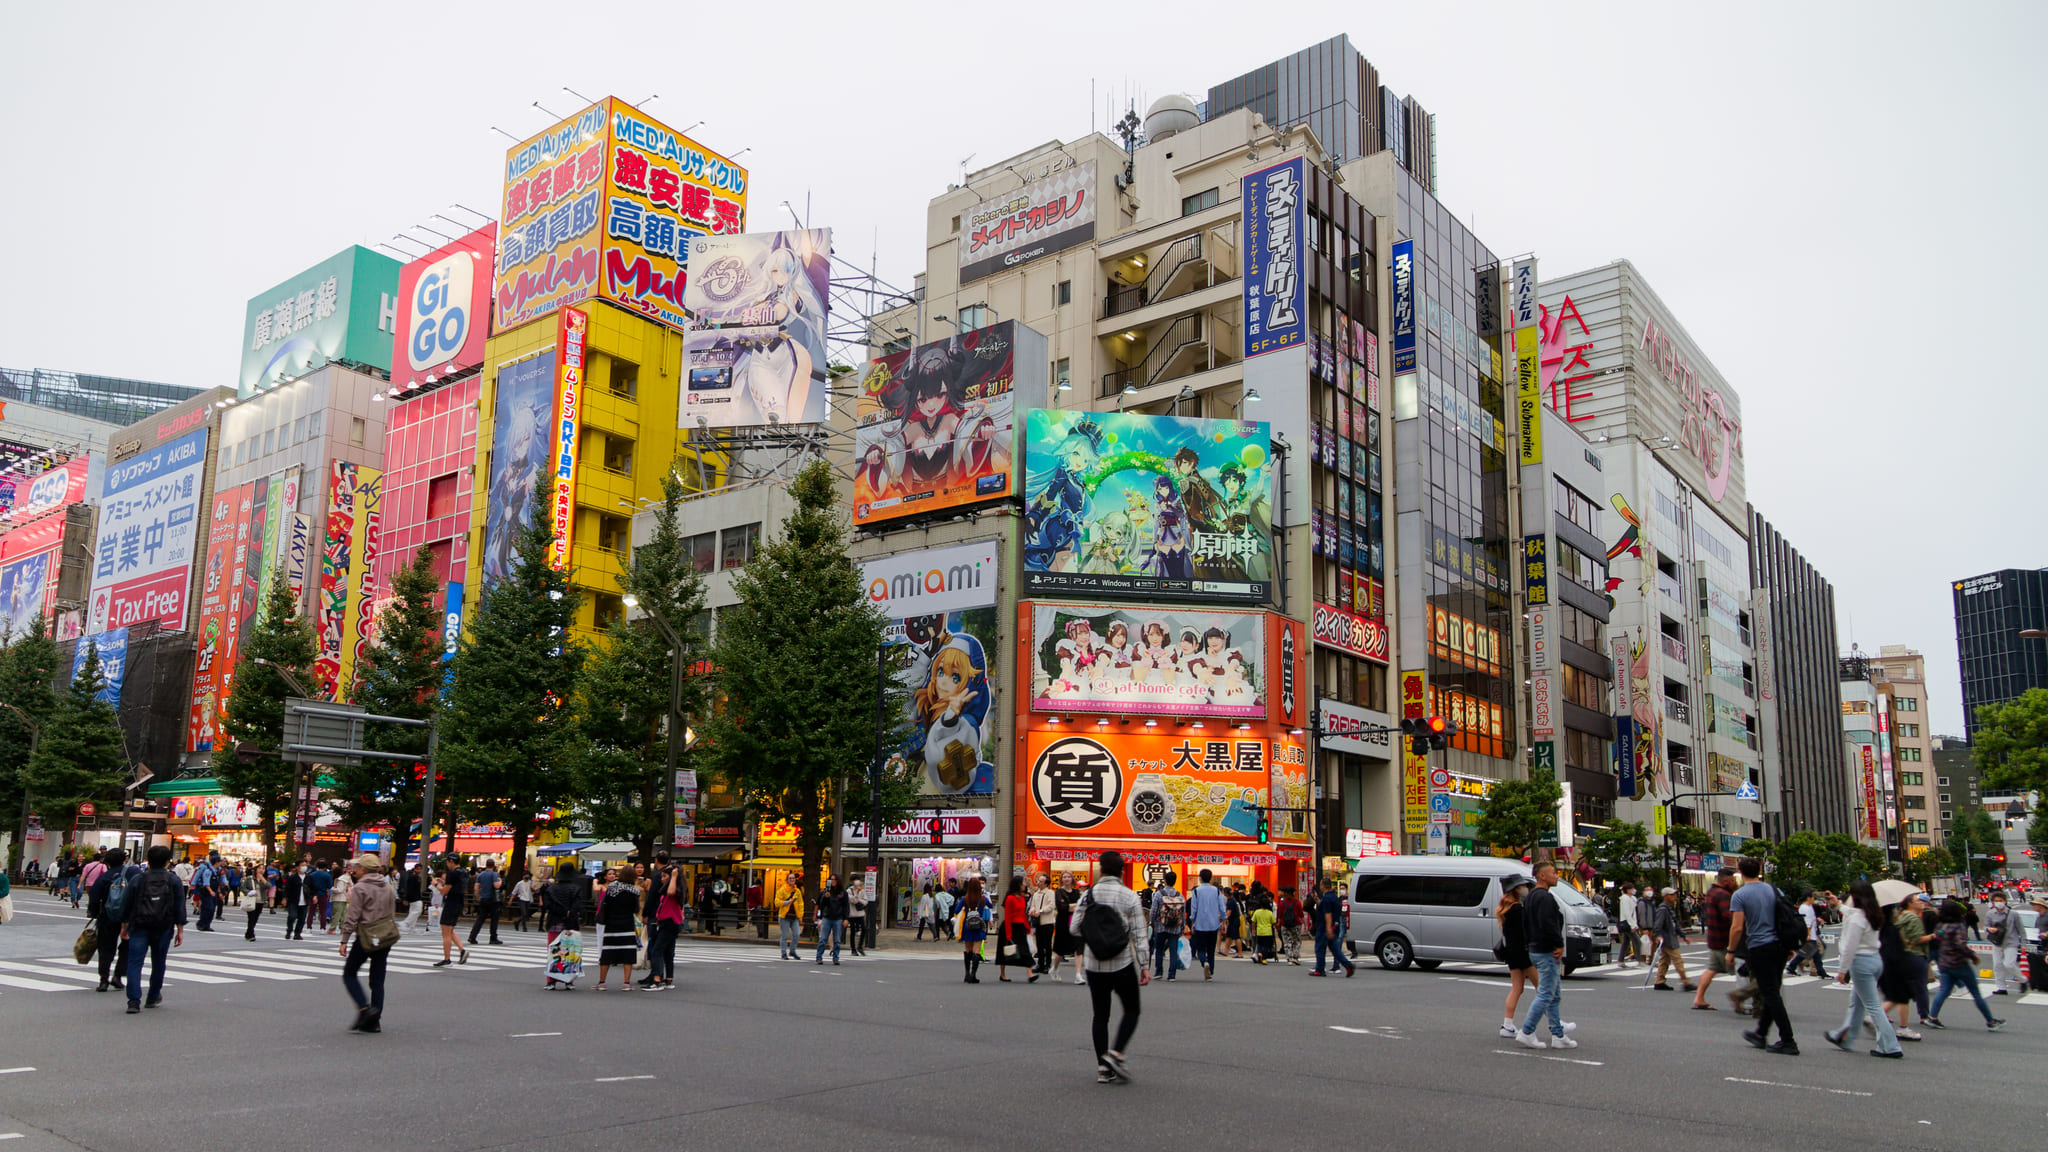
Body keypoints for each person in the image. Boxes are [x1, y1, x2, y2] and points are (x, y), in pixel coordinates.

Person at [1071, 850, 1147, 1084]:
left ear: (1101, 869)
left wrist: (1095, 936)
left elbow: (1074, 928)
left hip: (1094, 964)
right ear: (1122, 871)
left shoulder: (1088, 895)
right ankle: (1116, 1053)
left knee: (1100, 1015)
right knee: (1132, 1009)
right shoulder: (1129, 896)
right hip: (1122, 962)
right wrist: (1144, 965)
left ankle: (1103, 1068)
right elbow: (1139, 935)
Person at [1824, 879, 1902, 1057]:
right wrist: (1838, 905)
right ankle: (1844, 1036)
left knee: (1873, 1007)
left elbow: (1850, 947)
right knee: (1857, 1003)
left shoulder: (1857, 919)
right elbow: (1852, 913)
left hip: (1861, 963)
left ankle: (1891, 1046)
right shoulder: (1873, 913)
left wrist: (1842, 970)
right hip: (1875, 960)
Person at [1727, 855, 1797, 1055]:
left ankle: (1788, 1040)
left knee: (1771, 994)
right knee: (1772, 989)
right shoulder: (1772, 889)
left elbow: (1737, 927)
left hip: (1760, 946)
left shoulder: (1740, 895)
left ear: (1740, 873)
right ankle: (1761, 1033)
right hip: (1780, 945)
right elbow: (1785, 915)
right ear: (1759, 870)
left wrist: (1731, 951)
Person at [1514, 860, 1576, 1049]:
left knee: (1553, 994)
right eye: (1553, 873)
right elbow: (1549, 924)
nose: (1556, 876)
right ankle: (1527, 1031)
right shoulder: (1545, 898)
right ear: (1542, 875)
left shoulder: (1532, 897)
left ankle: (1558, 1034)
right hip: (1546, 950)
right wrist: (1558, 944)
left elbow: (1526, 925)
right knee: (1546, 994)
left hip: (1535, 948)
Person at [119, 844, 186, 1014]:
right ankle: (153, 995)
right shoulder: (173, 880)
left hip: (139, 924)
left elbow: (126, 904)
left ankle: (133, 1001)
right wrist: (180, 929)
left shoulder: (138, 879)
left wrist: (124, 925)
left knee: (135, 962)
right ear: (166, 861)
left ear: (148, 859)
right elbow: (179, 906)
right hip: (163, 926)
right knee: (159, 961)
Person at [336, 854, 395, 1033]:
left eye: (357, 867)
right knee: (377, 979)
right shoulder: (388, 886)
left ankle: (364, 1008)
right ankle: (375, 1019)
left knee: (349, 973)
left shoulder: (360, 888)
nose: (355, 870)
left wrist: (344, 940)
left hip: (366, 935)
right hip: (385, 935)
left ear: (363, 869)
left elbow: (352, 916)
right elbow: (391, 912)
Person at [1927, 898, 2004, 1031]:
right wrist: (1972, 955)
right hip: (1959, 963)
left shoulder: (1940, 926)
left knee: (1944, 991)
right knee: (1976, 993)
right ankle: (1990, 1021)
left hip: (1944, 962)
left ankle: (1932, 1017)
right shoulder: (1959, 927)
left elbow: (1937, 937)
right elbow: (1960, 944)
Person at [85, 848, 135, 993]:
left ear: (107, 861)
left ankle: (103, 980)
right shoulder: (134, 873)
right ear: (125, 859)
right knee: (126, 946)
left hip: (107, 916)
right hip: (128, 917)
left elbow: (94, 898)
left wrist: (95, 913)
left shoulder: (104, 877)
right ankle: (118, 975)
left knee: (105, 948)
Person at [1692, 870, 1740, 1010]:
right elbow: (1729, 916)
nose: (1735, 883)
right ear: (1726, 881)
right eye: (1733, 880)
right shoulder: (1723, 895)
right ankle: (1743, 997)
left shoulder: (1711, 892)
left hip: (1714, 938)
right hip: (1725, 939)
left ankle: (1699, 998)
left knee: (1712, 969)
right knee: (1745, 970)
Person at [595, 865, 640, 990]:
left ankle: (602, 982)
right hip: (627, 924)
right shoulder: (634, 890)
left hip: (611, 923)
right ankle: (626, 983)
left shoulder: (612, 887)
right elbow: (636, 909)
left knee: (607, 953)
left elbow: (606, 903)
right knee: (628, 954)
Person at [543, 866, 585, 990]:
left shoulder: (551, 889)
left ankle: (551, 981)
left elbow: (547, 905)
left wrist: (561, 911)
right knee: (570, 953)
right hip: (571, 925)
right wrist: (569, 912)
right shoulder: (576, 889)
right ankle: (568, 981)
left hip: (554, 922)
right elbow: (577, 906)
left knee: (553, 952)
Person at [646, 862, 684, 990]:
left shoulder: (675, 889)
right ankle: (668, 979)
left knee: (657, 950)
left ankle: (657, 980)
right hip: (669, 922)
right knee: (668, 951)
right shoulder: (671, 890)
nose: (662, 879)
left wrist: (674, 876)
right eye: (661, 876)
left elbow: (671, 892)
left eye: (664, 876)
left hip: (669, 922)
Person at [1650, 887, 1695, 991]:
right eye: (1672, 894)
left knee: (1664, 961)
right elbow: (1657, 925)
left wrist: (1683, 936)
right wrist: (1658, 935)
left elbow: (1676, 924)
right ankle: (1686, 982)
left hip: (1669, 938)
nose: (1674, 896)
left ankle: (1660, 981)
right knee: (1678, 960)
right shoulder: (1663, 909)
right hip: (1667, 939)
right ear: (1666, 896)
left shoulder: (1670, 908)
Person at [1310, 877, 1356, 978]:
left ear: (1323, 885)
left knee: (1320, 948)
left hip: (1325, 927)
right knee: (1334, 949)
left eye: (1321, 885)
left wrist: (1328, 928)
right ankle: (1348, 965)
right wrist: (1317, 900)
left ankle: (1320, 969)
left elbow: (1327, 913)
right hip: (1335, 925)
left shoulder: (1327, 898)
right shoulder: (1333, 897)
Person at [1187, 868, 1225, 980]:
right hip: (1214, 924)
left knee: (1201, 949)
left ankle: (1204, 962)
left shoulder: (1196, 891)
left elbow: (1193, 909)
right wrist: (1223, 921)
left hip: (1200, 924)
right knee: (1211, 949)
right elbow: (1222, 908)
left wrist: (1192, 922)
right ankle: (1210, 970)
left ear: (1200, 878)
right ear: (1211, 878)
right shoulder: (1216, 891)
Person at [1147, 871, 1186, 981]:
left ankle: (1159, 971)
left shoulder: (1159, 894)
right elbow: (1182, 913)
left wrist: (1152, 922)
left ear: (1165, 880)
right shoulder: (1179, 895)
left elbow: (1153, 911)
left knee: (1159, 949)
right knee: (1173, 950)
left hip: (1161, 925)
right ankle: (1171, 975)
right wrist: (1182, 926)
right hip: (1175, 927)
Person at [1984, 891, 2021, 995]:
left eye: (2000, 901)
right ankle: (2001, 987)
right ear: (1992, 902)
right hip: (1997, 942)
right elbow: (1985, 926)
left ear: (2005, 901)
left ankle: (2023, 979)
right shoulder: (1990, 914)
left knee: (2009, 964)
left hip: (2011, 942)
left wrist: (2023, 943)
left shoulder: (2013, 914)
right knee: (1997, 965)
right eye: (1996, 901)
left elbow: (2020, 929)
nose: (1998, 903)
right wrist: (1989, 929)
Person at [998, 875, 1032, 981]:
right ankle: (1002, 974)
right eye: (1023, 883)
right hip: (1010, 926)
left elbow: (1023, 915)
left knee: (1025, 950)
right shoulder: (1010, 898)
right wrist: (1008, 934)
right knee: (1005, 950)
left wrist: (1028, 927)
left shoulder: (1022, 898)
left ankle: (1030, 973)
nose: (1024, 885)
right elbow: (1007, 917)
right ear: (1018, 885)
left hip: (1020, 926)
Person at [957, 877, 992, 983]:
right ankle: (973, 974)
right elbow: (990, 905)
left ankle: (967, 974)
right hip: (978, 926)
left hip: (967, 926)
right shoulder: (982, 899)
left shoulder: (965, 899)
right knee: (977, 951)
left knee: (968, 950)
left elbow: (956, 909)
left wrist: (965, 909)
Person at [1788, 891, 1827, 978]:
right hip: (1809, 934)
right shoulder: (1805, 908)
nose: (1814, 899)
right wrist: (1808, 934)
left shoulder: (1808, 907)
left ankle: (1792, 967)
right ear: (1808, 898)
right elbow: (1807, 923)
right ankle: (1821, 972)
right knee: (1813, 953)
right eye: (1813, 897)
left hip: (1811, 933)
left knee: (1807, 953)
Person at [1029, 874, 1060, 977]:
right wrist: (1032, 910)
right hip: (1038, 922)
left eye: (1041, 881)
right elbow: (1032, 905)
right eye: (1038, 881)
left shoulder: (1050, 893)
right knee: (1039, 944)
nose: (1038, 883)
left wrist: (1040, 911)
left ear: (1046, 883)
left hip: (1047, 922)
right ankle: (1040, 964)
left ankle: (1047, 964)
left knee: (1047, 944)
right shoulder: (1036, 894)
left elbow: (1051, 906)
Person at [468, 858, 503, 946]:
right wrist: (500, 881)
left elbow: (476, 888)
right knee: (494, 919)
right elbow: (496, 886)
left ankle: (472, 936)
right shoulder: (494, 874)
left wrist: (478, 897)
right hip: (492, 899)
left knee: (480, 918)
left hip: (483, 899)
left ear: (486, 865)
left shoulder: (480, 875)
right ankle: (493, 938)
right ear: (494, 865)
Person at [816, 879, 849, 967]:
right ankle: (819, 956)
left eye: (834, 879)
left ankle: (836, 957)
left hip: (838, 917)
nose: (833, 882)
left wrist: (846, 918)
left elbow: (846, 906)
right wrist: (826, 897)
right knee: (823, 938)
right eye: (831, 880)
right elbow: (821, 904)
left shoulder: (842, 893)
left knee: (837, 940)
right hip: (827, 917)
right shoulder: (826, 891)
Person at [775, 873, 805, 960]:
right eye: (790, 878)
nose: (792, 880)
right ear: (787, 880)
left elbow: (800, 904)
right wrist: (785, 902)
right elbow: (776, 901)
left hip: (794, 916)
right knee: (785, 935)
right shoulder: (782, 890)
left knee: (796, 934)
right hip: (784, 915)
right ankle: (783, 953)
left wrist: (800, 916)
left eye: (793, 878)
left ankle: (792, 950)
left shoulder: (797, 891)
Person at [1276, 886, 1304, 966]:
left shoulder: (1281, 903)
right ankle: (1296, 957)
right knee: (1297, 940)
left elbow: (1279, 915)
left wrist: (1278, 924)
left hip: (1284, 924)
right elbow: (1301, 914)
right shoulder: (1297, 902)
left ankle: (1289, 958)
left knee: (1287, 941)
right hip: (1296, 924)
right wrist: (1304, 924)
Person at [191, 854, 219, 932]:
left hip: (214, 890)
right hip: (206, 890)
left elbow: (220, 880)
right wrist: (193, 883)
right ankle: (201, 923)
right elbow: (199, 875)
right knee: (207, 907)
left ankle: (207, 925)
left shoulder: (217, 870)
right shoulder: (205, 867)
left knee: (212, 908)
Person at [282, 862, 309, 940]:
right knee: (292, 916)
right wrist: (284, 898)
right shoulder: (292, 877)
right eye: (302, 865)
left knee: (302, 918)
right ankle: (289, 930)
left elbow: (312, 888)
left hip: (304, 901)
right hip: (293, 900)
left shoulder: (308, 877)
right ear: (297, 867)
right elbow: (287, 888)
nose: (304, 867)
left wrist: (314, 896)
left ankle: (297, 933)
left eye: (305, 865)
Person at [243, 864, 270, 940]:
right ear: (256, 870)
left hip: (260, 901)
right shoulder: (250, 878)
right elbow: (243, 887)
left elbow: (269, 886)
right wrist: (249, 892)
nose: (261, 870)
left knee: (255, 918)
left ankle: (248, 933)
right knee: (251, 918)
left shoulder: (264, 879)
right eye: (259, 868)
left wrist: (263, 879)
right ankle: (251, 934)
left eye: (263, 868)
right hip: (251, 900)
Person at [305, 861, 332, 932]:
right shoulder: (327, 875)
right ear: (325, 867)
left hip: (313, 894)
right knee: (323, 912)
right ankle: (322, 928)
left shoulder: (312, 874)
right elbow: (330, 885)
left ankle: (309, 927)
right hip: (323, 894)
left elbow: (309, 884)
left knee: (311, 911)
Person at [1616, 885, 1639, 967]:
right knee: (1637, 942)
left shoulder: (1632, 899)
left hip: (1629, 922)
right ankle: (1640, 960)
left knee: (1625, 942)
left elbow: (1634, 913)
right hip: (1627, 923)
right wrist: (1632, 925)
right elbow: (1627, 913)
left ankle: (1620, 961)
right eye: (1631, 888)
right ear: (1627, 890)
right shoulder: (1625, 899)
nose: (1633, 890)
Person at [847, 877, 871, 957]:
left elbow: (865, 901)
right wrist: (856, 893)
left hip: (860, 913)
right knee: (853, 931)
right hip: (852, 914)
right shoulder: (849, 890)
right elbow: (851, 900)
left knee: (864, 929)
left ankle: (860, 946)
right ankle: (853, 949)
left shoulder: (862, 890)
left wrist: (859, 901)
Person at [1250, 895, 1277, 963]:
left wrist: (1253, 930)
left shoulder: (1257, 912)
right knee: (1266, 945)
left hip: (1259, 931)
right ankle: (1263, 957)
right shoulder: (1269, 913)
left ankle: (1259, 953)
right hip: (1268, 932)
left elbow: (1253, 921)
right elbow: (1273, 922)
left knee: (1259, 943)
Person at [330, 863, 354, 936]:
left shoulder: (340, 879)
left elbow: (339, 890)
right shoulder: (348, 879)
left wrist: (332, 888)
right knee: (343, 915)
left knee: (336, 914)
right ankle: (342, 928)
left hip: (338, 898)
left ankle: (332, 929)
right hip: (345, 898)